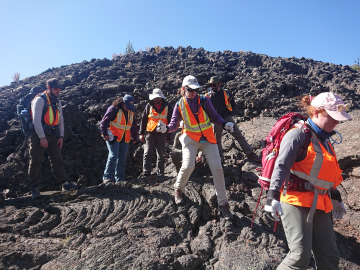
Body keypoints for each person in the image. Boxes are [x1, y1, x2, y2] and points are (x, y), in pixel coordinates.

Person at [265, 92, 351, 270]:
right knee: (299, 258)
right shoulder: (298, 135)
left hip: (321, 203)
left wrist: (335, 197)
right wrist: (272, 196)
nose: (336, 122)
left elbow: (325, 174)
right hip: (295, 201)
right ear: (316, 112)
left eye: (338, 119)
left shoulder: (325, 141)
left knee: (330, 256)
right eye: (332, 117)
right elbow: (281, 166)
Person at [160, 75, 235, 220]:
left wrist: (225, 124)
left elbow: (214, 116)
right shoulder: (179, 105)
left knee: (217, 168)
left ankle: (223, 204)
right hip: (190, 140)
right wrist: (166, 129)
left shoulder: (204, 100)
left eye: (195, 89)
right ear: (183, 89)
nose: (193, 92)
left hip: (208, 139)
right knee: (188, 165)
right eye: (190, 89)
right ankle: (178, 189)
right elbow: (174, 125)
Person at [28, 78, 77, 199]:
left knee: (57, 158)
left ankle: (64, 183)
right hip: (38, 135)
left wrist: (61, 136)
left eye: (59, 89)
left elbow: (61, 121)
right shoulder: (39, 100)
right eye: (55, 89)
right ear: (48, 88)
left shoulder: (57, 102)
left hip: (53, 134)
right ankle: (34, 187)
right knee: (36, 160)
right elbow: (36, 121)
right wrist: (42, 137)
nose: (58, 91)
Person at [205, 76, 260, 162]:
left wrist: (231, 113)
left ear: (219, 84)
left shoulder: (226, 93)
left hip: (227, 117)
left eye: (214, 85)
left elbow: (233, 103)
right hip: (216, 120)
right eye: (210, 85)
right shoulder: (208, 96)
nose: (212, 87)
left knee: (238, 135)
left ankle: (250, 153)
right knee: (216, 140)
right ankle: (220, 159)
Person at [100, 95, 138, 184]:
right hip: (113, 136)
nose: (128, 108)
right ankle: (107, 177)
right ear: (123, 103)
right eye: (127, 106)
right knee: (113, 155)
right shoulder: (114, 109)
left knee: (122, 158)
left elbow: (133, 126)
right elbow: (104, 121)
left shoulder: (131, 112)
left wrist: (135, 137)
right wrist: (104, 134)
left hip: (125, 137)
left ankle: (120, 179)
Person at [139, 88, 172, 177]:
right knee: (148, 152)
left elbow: (170, 121)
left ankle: (160, 173)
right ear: (153, 98)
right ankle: (146, 172)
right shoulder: (149, 105)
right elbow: (144, 119)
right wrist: (141, 133)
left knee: (161, 154)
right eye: (156, 98)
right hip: (150, 132)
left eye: (159, 98)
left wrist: (168, 135)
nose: (157, 99)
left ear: (161, 98)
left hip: (162, 133)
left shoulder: (167, 106)